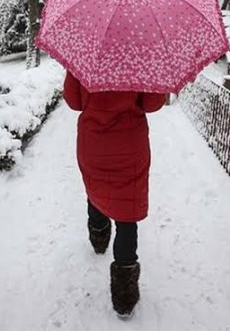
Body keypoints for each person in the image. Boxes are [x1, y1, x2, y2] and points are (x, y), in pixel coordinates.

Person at [63, 71, 165, 317]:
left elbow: (73, 102)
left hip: (93, 142)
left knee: (96, 188)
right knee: (127, 211)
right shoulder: (140, 59)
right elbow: (153, 104)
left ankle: (98, 237)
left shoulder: (84, 57)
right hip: (130, 144)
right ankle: (124, 295)